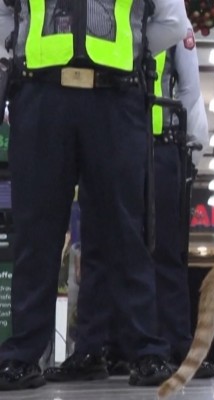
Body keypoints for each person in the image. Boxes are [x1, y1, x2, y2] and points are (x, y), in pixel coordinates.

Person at [0, 0, 188, 391]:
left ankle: (144, 349)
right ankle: (23, 355)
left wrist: (130, 54)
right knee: (37, 229)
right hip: (43, 94)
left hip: (112, 97)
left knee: (124, 227)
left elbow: (172, 23)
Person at [42, 22, 214, 381]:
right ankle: (95, 346)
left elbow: (191, 91)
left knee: (164, 249)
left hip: (160, 144)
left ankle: (174, 345)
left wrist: (191, 154)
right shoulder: (109, 19)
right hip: (111, 141)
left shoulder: (171, 24)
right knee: (100, 246)